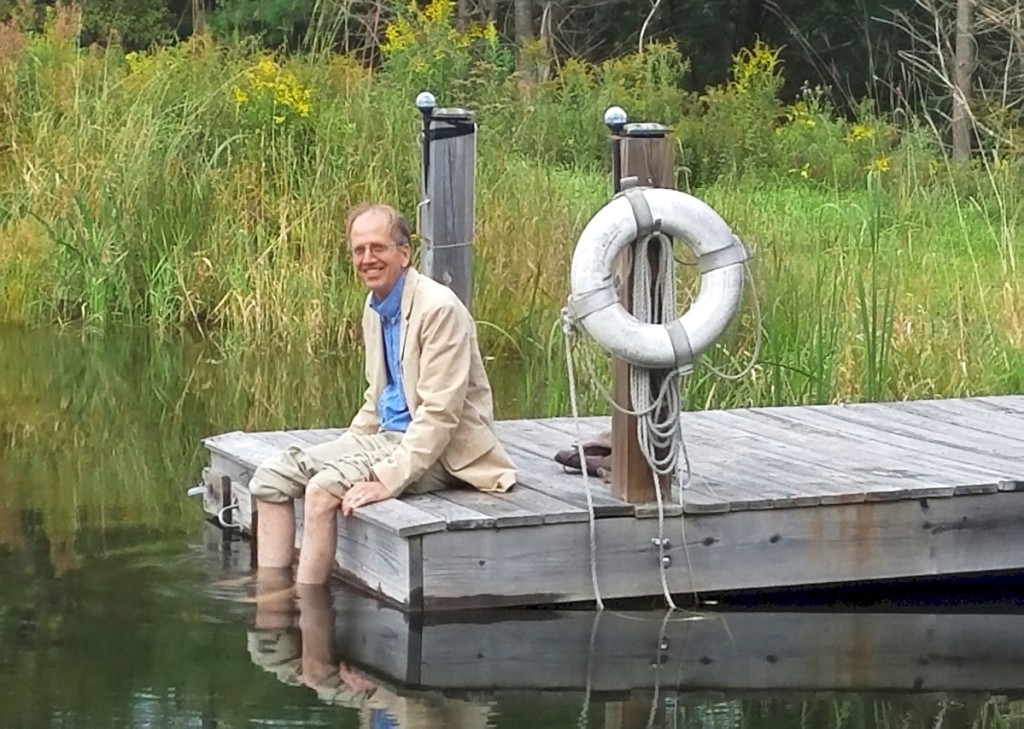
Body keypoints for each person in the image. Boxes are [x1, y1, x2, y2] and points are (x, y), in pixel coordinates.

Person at [248, 202, 517, 585]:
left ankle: (305, 612)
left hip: (444, 451)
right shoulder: (374, 307)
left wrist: (388, 480)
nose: (367, 259)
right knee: (270, 477)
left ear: (404, 253)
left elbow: (439, 418)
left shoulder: (439, 309)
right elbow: (376, 399)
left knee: (323, 490)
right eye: (359, 250)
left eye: (378, 248)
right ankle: (270, 600)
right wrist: (344, 449)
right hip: (388, 437)